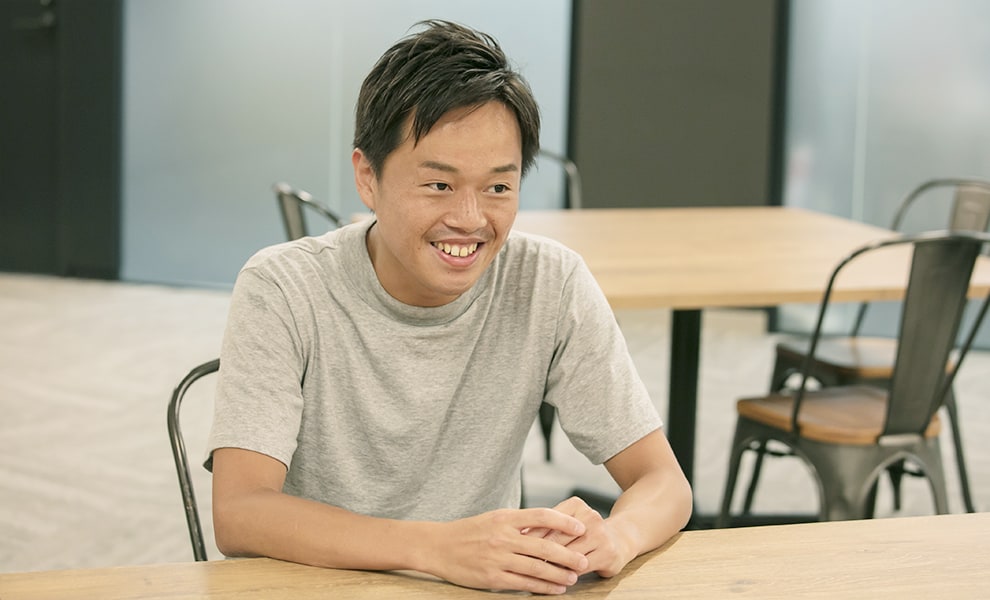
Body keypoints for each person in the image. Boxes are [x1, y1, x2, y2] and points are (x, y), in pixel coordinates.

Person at [206, 19, 691, 595]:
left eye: (498, 187)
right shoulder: (284, 287)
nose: (470, 218)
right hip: (318, 585)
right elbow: (240, 512)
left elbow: (664, 482)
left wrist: (616, 537)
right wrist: (435, 548)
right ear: (368, 177)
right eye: (439, 185)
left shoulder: (549, 283)